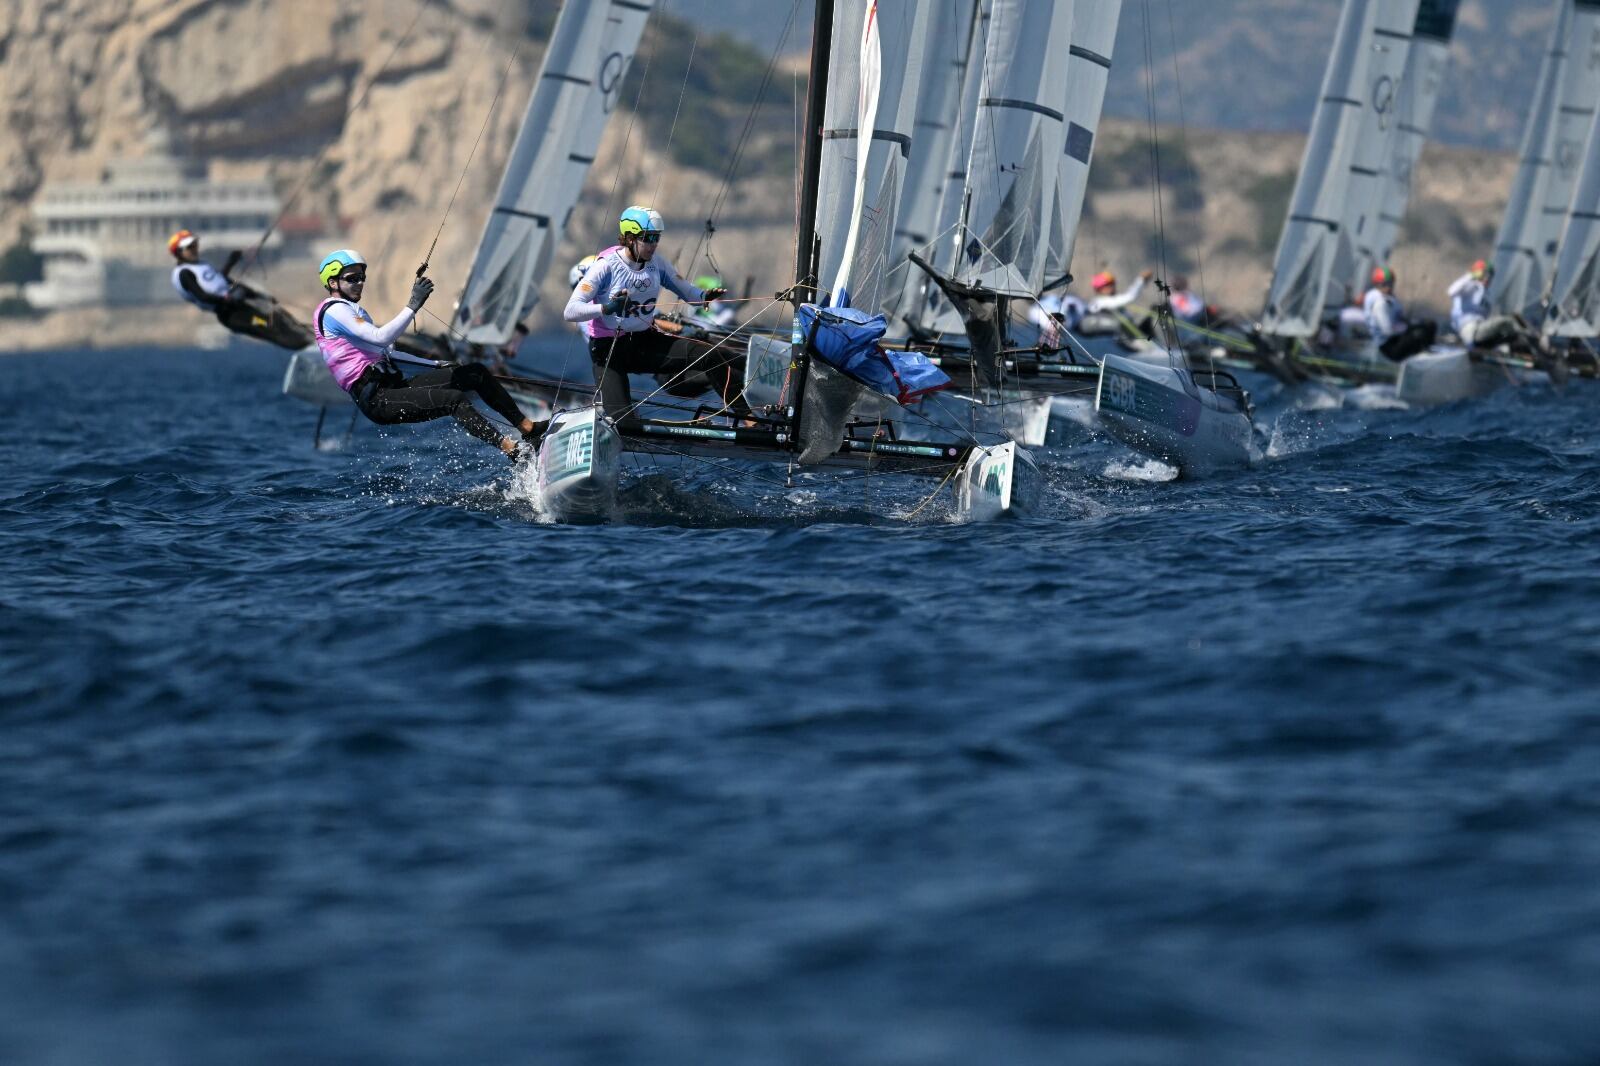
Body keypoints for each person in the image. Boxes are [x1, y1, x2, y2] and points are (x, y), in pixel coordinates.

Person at [311, 249, 545, 460]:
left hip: (393, 385)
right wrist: (413, 305)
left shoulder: (353, 312)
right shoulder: (333, 311)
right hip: (376, 398)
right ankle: (512, 450)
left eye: (362, 277)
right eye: (352, 278)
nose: (360, 282)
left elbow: (389, 354)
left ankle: (528, 429)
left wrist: (437, 364)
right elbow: (381, 337)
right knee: (453, 400)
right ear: (333, 282)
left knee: (474, 373)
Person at [563, 206, 746, 420]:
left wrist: (704, 296)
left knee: (710, 355)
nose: (653, 244)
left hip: (643, 342)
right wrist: (607, 308)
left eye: (656, 237)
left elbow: (687, 291)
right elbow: (570, 311)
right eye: (648, 238)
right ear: (629, 238)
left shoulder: (657, 263)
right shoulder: (605, 266)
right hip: (609, 352)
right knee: (623, 422)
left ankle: (749, 419)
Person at [168, 229, 312, 349]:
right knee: (270, 327)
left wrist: (231, 262)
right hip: (234, 315)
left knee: (278, 315)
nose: (194, 249)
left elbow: (220, 281)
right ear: (179, 252)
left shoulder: (202, 264)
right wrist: (226, 299)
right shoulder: (184, 273)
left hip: (241, 302)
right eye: (189, 247)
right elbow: (202, 296)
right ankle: (308, 345)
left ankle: (313, 337)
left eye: (194, 244)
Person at [1363, 266, 1436, 361]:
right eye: (1384, 284)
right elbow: (1387, 331)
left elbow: (1400, 318)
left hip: (1397, 338)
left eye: (1390, 284)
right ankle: (1424, 355)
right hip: (1390, 347)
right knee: (1419, 334)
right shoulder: (1380, 304)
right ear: (1377, 285)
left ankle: (1429, 350)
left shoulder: (1388, 297)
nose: (1388, 287)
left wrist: (1411, 323)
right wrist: (1407, 327)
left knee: (1430, 324)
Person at [1447, 259, 1524, 348]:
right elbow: (1451, 291)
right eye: (1485, 274)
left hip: (1479, 331)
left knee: (1509, 335)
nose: (1488, 278)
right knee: (1507, 321)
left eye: (1490, 275)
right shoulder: (1470, 286)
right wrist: (1471, 275)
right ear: (1478, 273)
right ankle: (1525, 336)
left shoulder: (1486, 294)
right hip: (1470, 330)